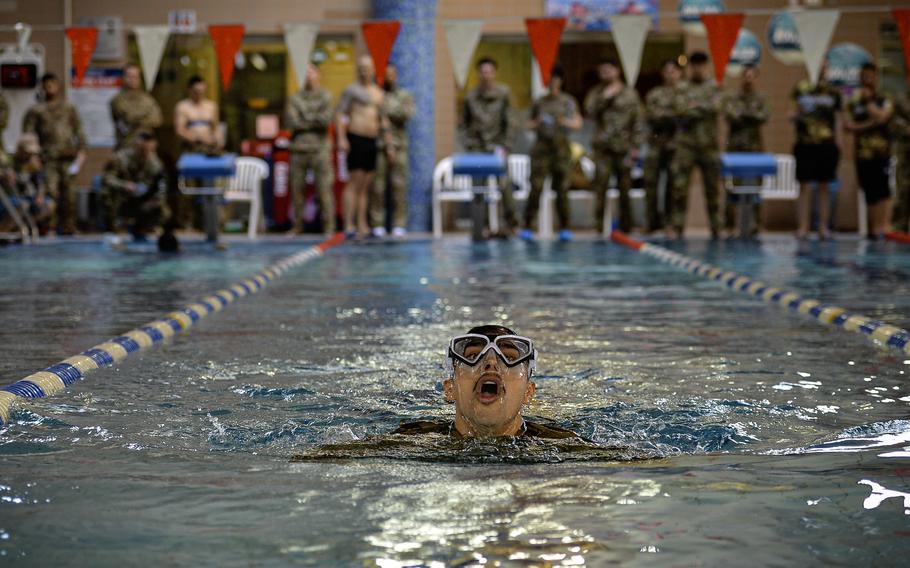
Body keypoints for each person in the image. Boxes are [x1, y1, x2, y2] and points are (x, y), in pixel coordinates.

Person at [394, 325, 575, 439]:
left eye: (509, 357)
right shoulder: (408, 439)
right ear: (450, 389)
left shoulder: (563, 444)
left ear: (528, 392)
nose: (491, 363)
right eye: (473, 356)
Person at [520, 64, 582, 241]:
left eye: (555, 80)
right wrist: (537, 122)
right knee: (536, 188)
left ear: (560, 81)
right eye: (549, 80)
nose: (553, 83)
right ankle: (528, 226)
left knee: (562, 189)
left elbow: (578, 124)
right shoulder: (539, 102)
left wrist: (564, 122)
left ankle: (564, 227)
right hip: (541, 150)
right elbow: (526, 125)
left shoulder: (568, 101)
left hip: (561, 150)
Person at [584, 58, 643, 235]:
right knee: (600, 187)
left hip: (624, 148)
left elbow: (638, 121)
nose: (605, 74)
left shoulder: (630, 94)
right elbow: (589, 111)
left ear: (617, 71)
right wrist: (605, 98)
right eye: (601, 71)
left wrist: (636, 147)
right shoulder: (596, 93)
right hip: (603, 148)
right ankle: (598, 227)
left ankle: (627, 227)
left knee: (625, 189)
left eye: (608, 70)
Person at [22, 72, 86, 235]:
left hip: (68, 157)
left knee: (69, 194)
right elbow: (28, 135)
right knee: (50, 193)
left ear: (58, 86)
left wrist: (81, 152)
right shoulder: (36, 110)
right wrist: (33, 157)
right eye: (46, 84)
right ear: (42, 87)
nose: (50, 87)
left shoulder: (68, 108)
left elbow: (79, 131)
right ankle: (49, 226)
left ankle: (69, 227)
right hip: (48, 158)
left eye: (53, 84)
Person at [462, 56, 518, 236]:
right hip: (477, 149)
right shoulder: (470, 96)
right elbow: (464, 124)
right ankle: (481, 227)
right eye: (482, 72)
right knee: (479, 188)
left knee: (505, 186)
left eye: (489, 72)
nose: (486, 75)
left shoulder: (504, 93)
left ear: (494, 73)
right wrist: (469, 144)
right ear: (478, 74)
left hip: (498, 148)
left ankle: (511, 225)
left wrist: (506, 146)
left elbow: (510, 121)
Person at [671, 52, 722, 240]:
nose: (697, 68)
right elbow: (680, 109)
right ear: (690, 66)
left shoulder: (714, 86)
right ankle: (677, 227)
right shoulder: (682, 87)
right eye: (694, 65)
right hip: (686, 146)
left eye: (701, 64)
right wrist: (702, 107)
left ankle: (717, 228)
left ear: (706, 65)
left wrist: (694, 106)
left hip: (709, 145)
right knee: (680, 188)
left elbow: (717, 107)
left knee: (713, 190)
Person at [337, 55, 387, 239]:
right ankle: (348, 223)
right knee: (353, 183)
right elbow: (340, 114)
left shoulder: (378, 92)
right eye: (361, 68)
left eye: (367, 68)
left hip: (372, 140)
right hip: (355, 138)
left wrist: (388, 140)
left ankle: (362, 223)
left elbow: (382, 118)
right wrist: (342, 138)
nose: (364, 71)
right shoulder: (351, 91)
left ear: (373, 70)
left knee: (365, 186)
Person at [792, 63, 842, 240]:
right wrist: (797, 114)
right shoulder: (801, 88)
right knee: (804, 186)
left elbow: (837, 119)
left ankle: (823, 227)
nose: (821, 69)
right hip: (805, 143)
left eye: (824, 66)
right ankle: (803, 227)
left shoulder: (833, 92)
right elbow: (793, 114)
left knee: (824, 186)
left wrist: (838, 144)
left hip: (826, 144)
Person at [285, 62, 336, 235]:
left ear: (318, 74)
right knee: (297, 190)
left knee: (324, 190)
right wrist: (314, 119)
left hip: (320, 149)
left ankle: (328, 227)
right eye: (305, 73)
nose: (308, 76)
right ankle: (297, 226)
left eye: (311, 72)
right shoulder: (295, 98)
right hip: (298, 149)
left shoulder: (326, 96)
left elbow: (326, 119)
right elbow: (292, 122)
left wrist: (305, 119)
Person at [845, 62, 893, 240]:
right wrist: (867, 125)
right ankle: (873, 230)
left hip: (881, 152)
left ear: (875, 77)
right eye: (864, 76)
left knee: (883, 190)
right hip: (862, 153)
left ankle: (884, 227)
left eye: (870, 75)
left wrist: (868, 102)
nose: (867, 79)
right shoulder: (854, 100)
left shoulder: (883, 98)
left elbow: (881, 117)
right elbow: (848, 125)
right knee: (869, 190)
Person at [721, 64, 770, 237]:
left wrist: (744, 115)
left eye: (751, 76)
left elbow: (763, 116)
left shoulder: (760, 98)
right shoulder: (732, 97)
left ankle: (756, 225)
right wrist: (749, 115)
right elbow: (730, 115)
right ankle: (729, 225)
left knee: (756, 188)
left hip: (754, 149)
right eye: (746, 75)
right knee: (731, 186)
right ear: (741, 77)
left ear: (755, 78)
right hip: (735, 149)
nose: (748, 78)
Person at [370, 62, 415, 238]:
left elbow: (406, 114)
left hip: (400, 145)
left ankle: (399, 223)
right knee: (378, 186)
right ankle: (377, 223)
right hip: (380, 145)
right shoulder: (377, 95)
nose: (389, 77)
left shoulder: (404, 95)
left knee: (399, 185)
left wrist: (386, 111)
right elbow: (371, 116)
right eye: (385, 74)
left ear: (396, 75)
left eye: (391, 74)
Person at [101, 130, 170, 243]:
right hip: (123, 198)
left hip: (143, 199)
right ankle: (112, 229)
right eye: (142, 150)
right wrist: (124, 185)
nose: (145, 153)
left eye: (148, 150)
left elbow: (161, 188)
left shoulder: (156, 164)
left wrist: (154, 201)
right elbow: (107, 179)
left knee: (164, 210)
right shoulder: (120, 158)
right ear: (135, 146)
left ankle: (141, 229)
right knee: (106, 193)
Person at [174, 75, 221, 228]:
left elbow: (215, 128)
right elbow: (180, 130)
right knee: (190, 187)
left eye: (202, 91)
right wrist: (197, 138)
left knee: (209, 186)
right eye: (196, 91)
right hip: (191, 150)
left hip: (208, 151)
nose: (199, 94)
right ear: (190, 90)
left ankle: (208, 221)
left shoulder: (211, 106)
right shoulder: (183, 107)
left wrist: (217, 141)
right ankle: (189, 221)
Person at [644, 59, 683, 234]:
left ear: (679, 73)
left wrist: (668, 114)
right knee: (651, 183)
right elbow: (652, 115)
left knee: (674, 186)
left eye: (673, 71)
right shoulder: (655, 94)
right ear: (662, 74)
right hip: (656, 144)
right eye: (667, 71)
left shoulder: (685, 93)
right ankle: (652, 223)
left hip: (678, 146)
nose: (670, 74)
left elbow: (689, 113)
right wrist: (674, 114)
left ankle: (671, 224)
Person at [110, 63, 163, 150]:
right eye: (129, 76)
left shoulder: (148, 99)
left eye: (135, 77)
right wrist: (145, 115)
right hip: (126, 146)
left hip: (146, 148)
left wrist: (138, 121)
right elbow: (129, 117)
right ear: (123, 78)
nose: (132, 80)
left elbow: (157, 120)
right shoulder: (117, 100)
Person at [893, 92, 910, 234]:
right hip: (906, 150)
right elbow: (895, 121)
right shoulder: (901, 99)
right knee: (903, 189)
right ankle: (900, 225)